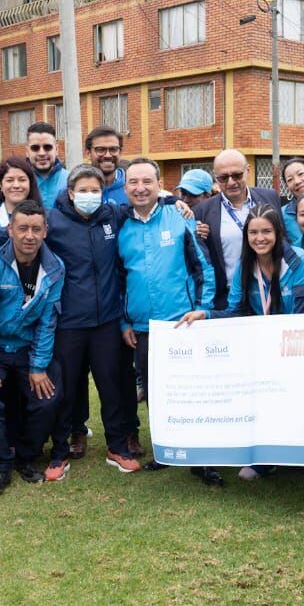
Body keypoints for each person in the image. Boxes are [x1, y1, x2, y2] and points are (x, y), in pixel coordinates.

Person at [0, 163, 147, 474]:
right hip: (68, 321)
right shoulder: (52, 219)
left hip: (106, 321)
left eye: (95, 190)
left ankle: (117, 446)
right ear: (70, 193)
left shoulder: (112, 215)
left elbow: (144, 208)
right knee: (64, 390)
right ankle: (60, 451)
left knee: (112, 388)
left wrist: (176, 204)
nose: (89, 196)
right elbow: (9, 230)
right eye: (83, 190)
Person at [178, 207, 304, 480]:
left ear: (279, 233)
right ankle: (266, 459)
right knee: (261, 401)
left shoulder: (301, 263)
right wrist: (206, 314)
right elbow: (236, 311)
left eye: (266, 231)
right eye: (253, 232)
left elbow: (302, 320)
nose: (260, 238)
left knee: (300, 400)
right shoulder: (246, 265)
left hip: (301, 347)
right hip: (265, 348)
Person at [119, 158, 218, 484]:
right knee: (155, 393)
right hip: (144, 329)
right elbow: (118, 281)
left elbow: (202, 266)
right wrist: (124, 321)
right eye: (133, 182)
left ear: (158, 183)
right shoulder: (122, 226)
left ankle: (204, 459)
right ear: (126, 187)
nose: (140, 188)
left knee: (193, 393)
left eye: (147, 181)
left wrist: (203, 307)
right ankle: (167, 449)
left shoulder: (178, 216)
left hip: (182, 323)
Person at [0, 200, 65, 496]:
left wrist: (38, 367)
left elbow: (48, 322)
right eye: (22, 228)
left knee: (48, 395)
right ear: (9, 229)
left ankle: (26, 456)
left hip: (26, 350)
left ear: (45, 231)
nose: (29, 236)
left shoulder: (55, 267)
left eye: (36, 229)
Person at [193, 149, 279, 312]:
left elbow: (282, 238)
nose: (231, 182)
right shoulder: (202, 211)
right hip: (228, 297)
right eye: (223, 178)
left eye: (237, 175)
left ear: (248, 171)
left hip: (270, 291)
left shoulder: (270, 197)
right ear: (215, 178)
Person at [26, 122, 67, 207]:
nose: (41, 153)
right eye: (35, 148)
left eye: (47, 147)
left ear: (56, 149)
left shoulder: (71, 180)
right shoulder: (17, 183)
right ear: (27, 151)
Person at [86, 127, 128, 206]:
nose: (107, 155)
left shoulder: (133, 189)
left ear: (120, 152)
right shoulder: (79, 190)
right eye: (100, 149)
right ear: (88, 153)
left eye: (113, 149)